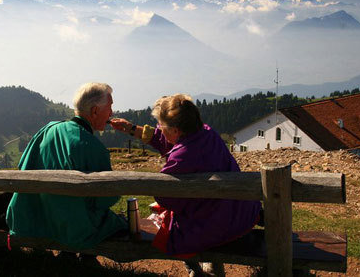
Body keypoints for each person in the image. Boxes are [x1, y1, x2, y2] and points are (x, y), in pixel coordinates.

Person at [110, 94, 262, 276]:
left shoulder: (180, 156)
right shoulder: (206, 133)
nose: (159, 128)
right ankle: (211, 266)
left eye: (161, 125)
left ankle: (195, 268)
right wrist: (131, 128)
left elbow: (165, 197)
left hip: (217, 225)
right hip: (240, 212)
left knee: (166, 224)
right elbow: (163, 138)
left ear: (175, 130)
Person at [6, 83, 126, 253]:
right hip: (73, 229)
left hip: (33, 219)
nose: (112, 113)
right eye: (110, 106)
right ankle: (85, 257)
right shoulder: (92, 145)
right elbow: (106, 198)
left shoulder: (47, 129)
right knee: (118, 223)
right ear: (94, 111)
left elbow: (23, 164)